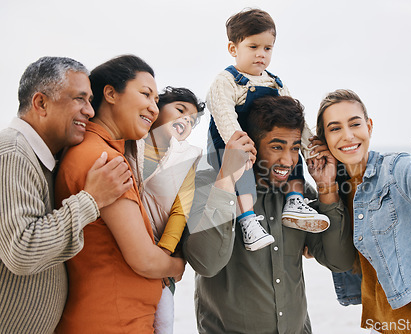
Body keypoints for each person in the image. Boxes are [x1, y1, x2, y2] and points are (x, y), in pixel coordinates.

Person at [183, 95, 356, 333]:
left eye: (295, 148)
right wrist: (226, 179)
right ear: (250, 144)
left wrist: (327, 188)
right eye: (276, 147)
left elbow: (339, 261)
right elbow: (207, 263)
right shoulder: (205, 185)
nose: (288, 160)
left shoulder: (298, 194)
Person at [313, 89, 411, 333]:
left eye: (355, 124)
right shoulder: (337, 190)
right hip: (386, 323)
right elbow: (334, 252)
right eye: (334, 128)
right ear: (323, 139)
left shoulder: (396, 168)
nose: (347, 135)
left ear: (369, 126)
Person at [0, 56, 132, 333]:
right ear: (40, 103)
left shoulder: (47, 159)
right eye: (79, 99)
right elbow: (22, 251)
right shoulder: (13, 153)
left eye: (90, 100)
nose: (90, 111)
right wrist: (92, 199)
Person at [54, 55, 186, 333]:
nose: (154, 107)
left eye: (156, 99)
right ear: (111, 94)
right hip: (113, 321)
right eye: (145, 94)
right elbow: (144, 259)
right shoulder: (104, 161)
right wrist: (178, 265)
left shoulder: (100, 150)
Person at [206, 8, 329, 252]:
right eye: (253, 47)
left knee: (291, 154)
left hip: (268, 142)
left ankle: (295, 200)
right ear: (233, 49)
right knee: (243, 175)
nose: (261, 55)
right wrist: (241, 147)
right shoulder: (226, 81)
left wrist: (309, 147)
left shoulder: (275, 82)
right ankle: (248, 220)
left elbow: (298, 122)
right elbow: (224, 114)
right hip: (232, 142)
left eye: (267, 48)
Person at [126, 86, 205, 334]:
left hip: (161, 247)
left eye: (192, 120)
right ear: (157, 109)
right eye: (180, 110)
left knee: (161, 320)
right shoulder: (130, 142)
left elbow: (181, 210)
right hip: (123, 236)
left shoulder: (186, 160)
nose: (185, 120)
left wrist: (165, 252)